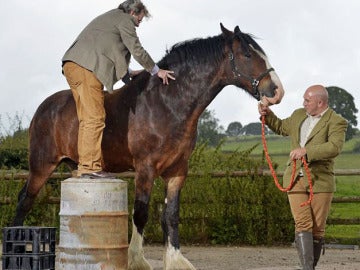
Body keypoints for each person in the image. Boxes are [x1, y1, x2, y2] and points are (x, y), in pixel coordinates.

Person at [62, 0, 175, 178]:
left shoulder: (111, 19)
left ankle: (85, 166)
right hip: (85, 68)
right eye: (140, 19)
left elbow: (110, 52)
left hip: (75, 65)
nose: (139, 24)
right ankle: (90, 168)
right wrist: (156, 70)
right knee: (95, 117)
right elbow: (136, 49)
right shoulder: (124, 20)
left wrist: (129, 73)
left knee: (87, 119)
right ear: (132, 13)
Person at [258, 85, 348, 270]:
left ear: (320, 102)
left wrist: (306, 151)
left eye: (307, 100)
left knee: (317, 229)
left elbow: (334, 148)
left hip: (320, 181)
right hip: (295, 178)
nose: (303, 103)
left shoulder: (337, 121)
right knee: (302, 222)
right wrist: (267, 114)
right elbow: (281, 127)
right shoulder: (299, 115)